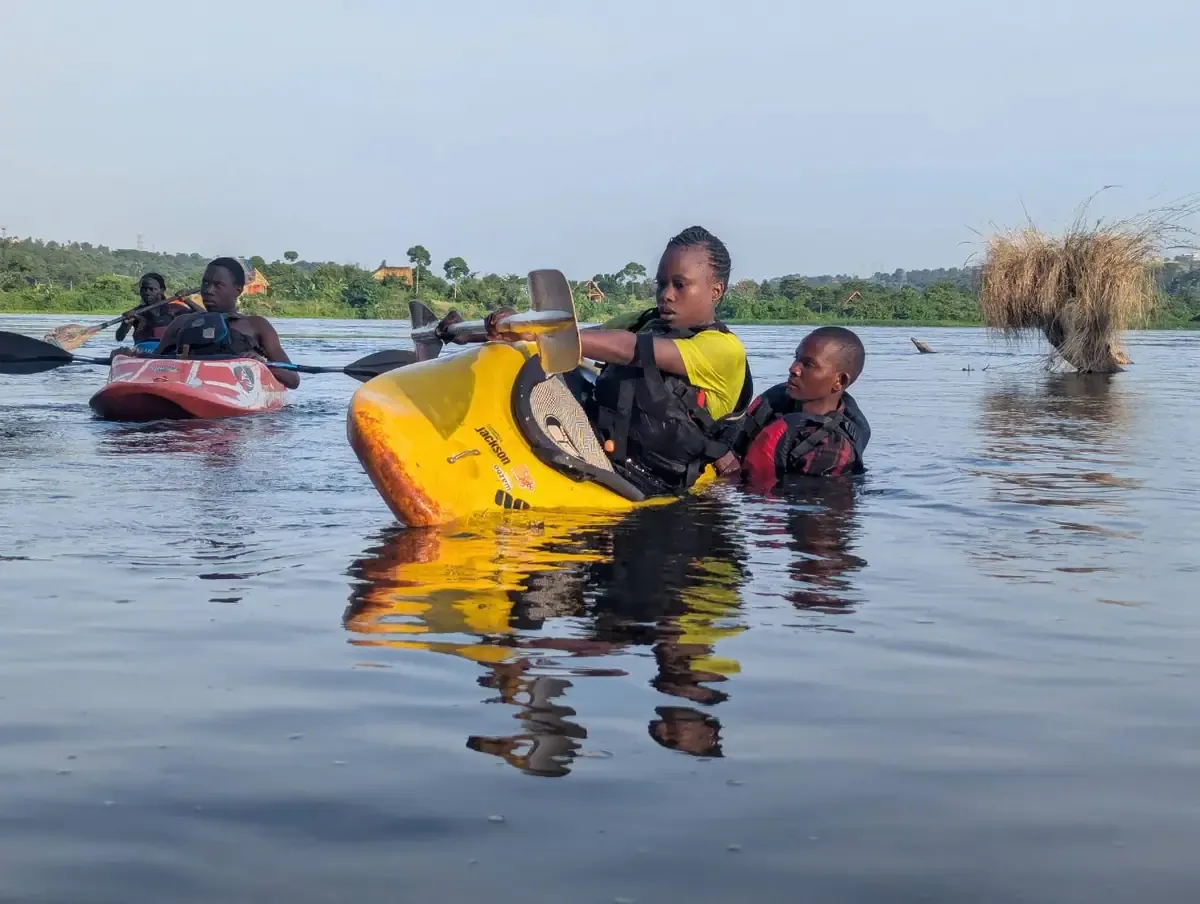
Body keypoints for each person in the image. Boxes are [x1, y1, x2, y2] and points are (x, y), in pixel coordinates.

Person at [438, 226, 752, 495]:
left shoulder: (724, 350)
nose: (666, 295)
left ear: (715, 291)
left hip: (649, 487)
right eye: (661, 283)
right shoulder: (646, 320)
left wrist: (540, 333)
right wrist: (482, 332)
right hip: (598, 454)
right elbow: (580, 336)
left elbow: (631, 349)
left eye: (679, 285)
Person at [121, 257, 300, 390]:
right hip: (190, 391)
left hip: (235, 402)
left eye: (218, 285)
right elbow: (156, 362)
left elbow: (293, 379)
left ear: (237, 290)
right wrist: (129, 357)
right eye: (205, 283)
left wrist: (260, 364)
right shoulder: (182, 323)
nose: (208, 291)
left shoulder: (257, 326)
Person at [725, 326, 870, 487]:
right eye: (796, 358)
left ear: (839, 381)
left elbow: (806, 505)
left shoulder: (832, 450)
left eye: (808, 365)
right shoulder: (776, 404)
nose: (793, 369)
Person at [114, 273, 198, 349]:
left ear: (162, 291)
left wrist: (187, 300)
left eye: (151, 289)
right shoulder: (135, 313)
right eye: (144, 289)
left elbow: (205, 316)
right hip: (142, 351)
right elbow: (119, 338)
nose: (147, 292)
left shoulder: (175, 309)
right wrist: (125, 324)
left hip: (169, 351)